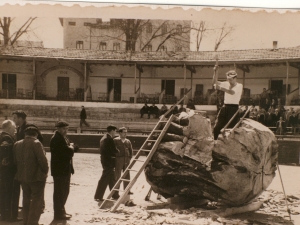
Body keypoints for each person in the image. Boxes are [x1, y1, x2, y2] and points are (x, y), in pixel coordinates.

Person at [11, 110, 44, 221]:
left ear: (21, 118)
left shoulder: (29, 127)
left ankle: (39, 207)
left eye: (15, 118)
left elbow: (40, 141)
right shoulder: (20, 128)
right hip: (24, 161)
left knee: (33, 190)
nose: (14, 120)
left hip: (31, 160)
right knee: (32, 190)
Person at [50, 121, 75, 220]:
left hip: (64, 169)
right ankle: (59, 214)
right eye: (64, 129)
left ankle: (61, 211)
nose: (66, 131)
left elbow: (70, 149)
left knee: (64, 191)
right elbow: (67, 152)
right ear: (58, 128)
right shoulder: (56, 139)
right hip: (60, 170)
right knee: (60, 192)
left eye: (67, 129)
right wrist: (71, 147)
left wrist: (71, 148)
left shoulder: (62, 138)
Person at [212, 69, 243, 140]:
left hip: (234, 109)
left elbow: (231, 92)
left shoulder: (239, 86)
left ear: (235, 78)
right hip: (225, 107)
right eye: (228, 79)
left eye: (231, 79)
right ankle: (215, 143)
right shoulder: (226, 83)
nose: (229, 81)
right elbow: (214, 82)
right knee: (217, 127)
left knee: (230, 129)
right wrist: (215, 71)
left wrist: (220, 88)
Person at [94, 125, 120, 202]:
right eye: (115, 131)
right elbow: (113, 150)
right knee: (104, 178)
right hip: (109, 161)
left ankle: (115, 194)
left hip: (105, 160)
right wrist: (117, 151)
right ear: (112, 131)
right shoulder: (109, 139)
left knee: (112, 178)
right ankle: (98, 196)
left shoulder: (104, 138)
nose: (115, 132)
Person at [0, 120, 16, 222]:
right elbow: (6, 151)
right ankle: (7, 216)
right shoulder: (7, 138)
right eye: (14, 128)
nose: (15, 131)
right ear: (10, 128)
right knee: (8, 193)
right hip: (7, 171)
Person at [113, 127, 133, 196]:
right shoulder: (115, 140)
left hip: (126, 159)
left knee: (127, 175)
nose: (125, 134)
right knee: (117, 175)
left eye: (126, 132)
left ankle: (127, 190)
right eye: (124, 132)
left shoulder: (128, 141)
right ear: (120, 133)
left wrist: (129, 158)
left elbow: (131, 150)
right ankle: (116, 192)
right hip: (119, 159)